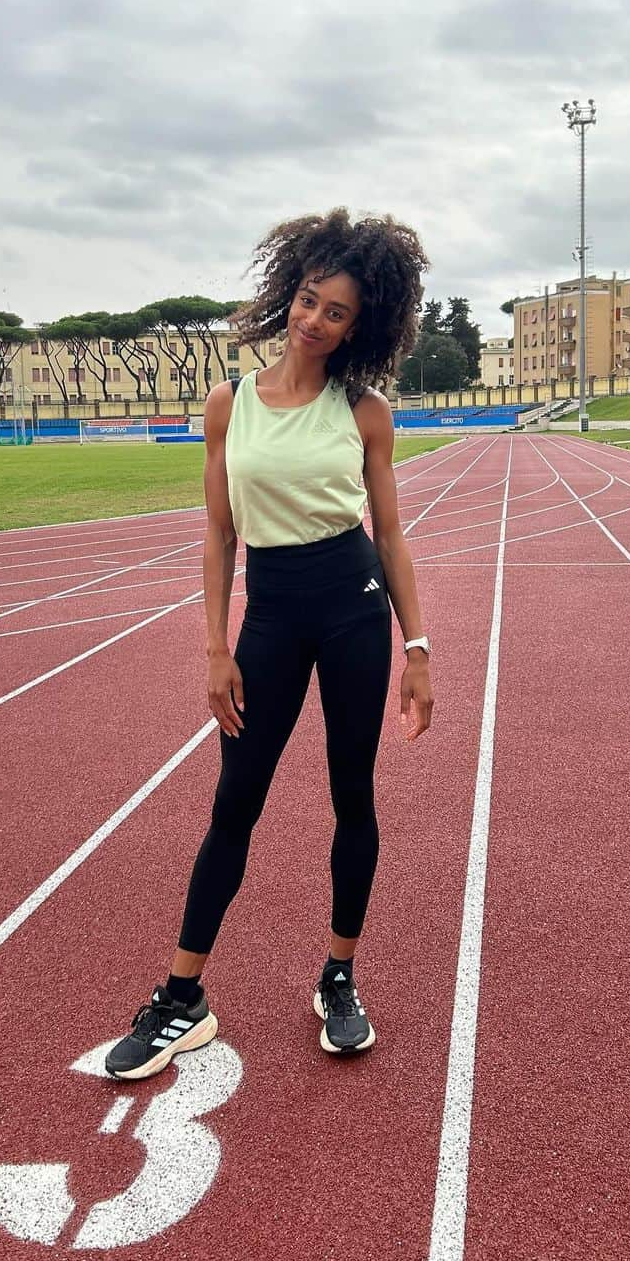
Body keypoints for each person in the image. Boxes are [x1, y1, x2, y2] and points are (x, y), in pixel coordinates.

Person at [106, 208, 434, 1080]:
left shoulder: (365, 412)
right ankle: (183, 997)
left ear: (361, 326)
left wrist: (420, 649)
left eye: (337, 312)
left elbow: (391, 535)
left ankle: (338, 977)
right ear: (286, 295)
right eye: (307, 300)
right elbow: (218, 537)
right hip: (274, 615)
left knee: (351, 794)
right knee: (234, 802)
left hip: (355, 607)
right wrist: (214, 648)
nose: (314, 321)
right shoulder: (229, 404)